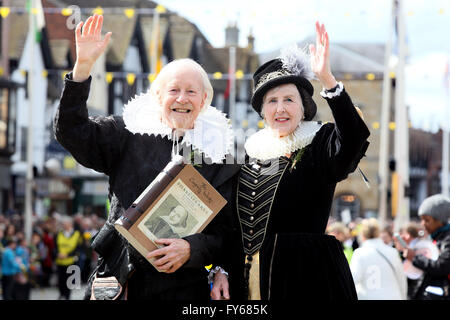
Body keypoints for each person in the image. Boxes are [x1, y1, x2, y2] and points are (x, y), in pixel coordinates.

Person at [53, 14, 238, 300]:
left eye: (191, 92)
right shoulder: (126, 131)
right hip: (118, 278)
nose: (181, 98)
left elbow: (228, 234)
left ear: (203, 101)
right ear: (158, 96)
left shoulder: (220, 154)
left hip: (185, 286)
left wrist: (192, 249)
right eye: (173, 90)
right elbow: (71, 132)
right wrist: (82, 70)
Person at [211, 22, 370, 300]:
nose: (280, 108)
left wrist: (328, 81)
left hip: (305, 277)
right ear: (262, 111)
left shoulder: (319, 142)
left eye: (289, 99)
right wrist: (222, 268)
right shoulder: (249, 151)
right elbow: (232, 224)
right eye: (272, 101)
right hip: (246, 279)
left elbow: (353, 139)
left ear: (304, 106)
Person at [402, 194, 450, 300]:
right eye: (422, 219)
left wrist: (414, 257)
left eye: (427, 220)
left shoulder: (447, 239)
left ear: (440, 220)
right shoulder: (433, 238)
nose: (423, 224)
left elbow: (442, 266)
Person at [349, 218, 407, 300]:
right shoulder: (393, 252)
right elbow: (401, 280)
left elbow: (352, 280)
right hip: (392, 297)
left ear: (363, 235)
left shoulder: (359, 253)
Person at [54, 216, 82, 300]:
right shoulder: (58, 234)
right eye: (63, 224)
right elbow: (55, 247)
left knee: (69, 280)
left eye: (65, 224)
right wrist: (57, 254)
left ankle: (67, 296)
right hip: (60, 261)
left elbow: (79, 249)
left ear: (70, 224)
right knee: (60, 280)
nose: (63, 225)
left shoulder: (77, 234)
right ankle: (61, 294)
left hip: (71, 261)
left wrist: (68, 255)